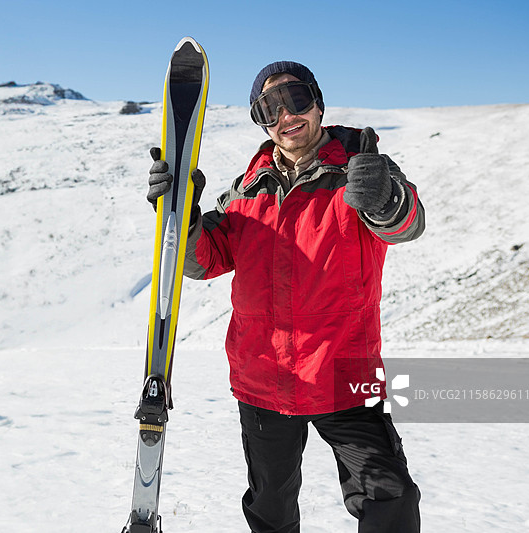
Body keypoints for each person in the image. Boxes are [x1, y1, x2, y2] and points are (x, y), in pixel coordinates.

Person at [147, 61, 425, 533]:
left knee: (390, 496)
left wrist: (383, 199)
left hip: (344, 376)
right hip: (263, 379)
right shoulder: (245, 191)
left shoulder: (360, 169)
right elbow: (204, 261)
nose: (286, 116)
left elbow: (406, 225)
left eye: (295, 100)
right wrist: (183, 216)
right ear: (260, 120)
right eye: (268, 108)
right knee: (270, 509)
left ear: (316, 102)